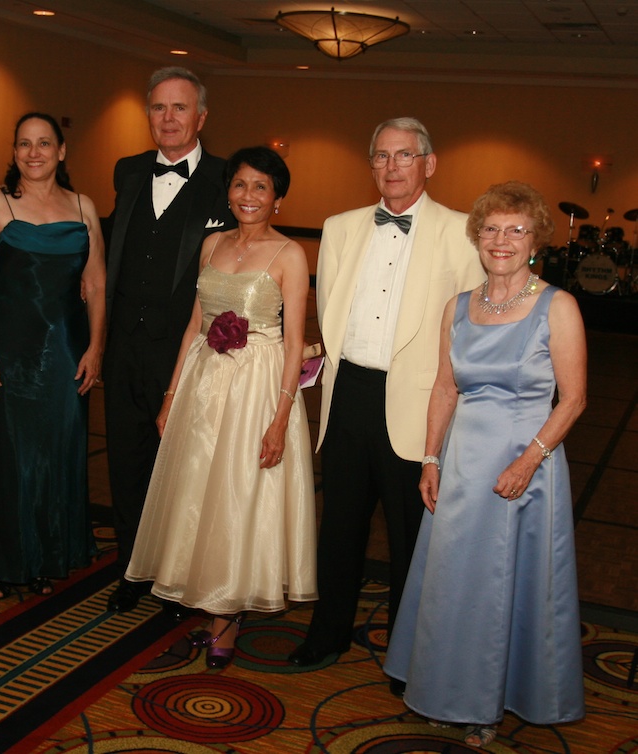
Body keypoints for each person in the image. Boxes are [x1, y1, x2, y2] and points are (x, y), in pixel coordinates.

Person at [383, 181, 587, 747]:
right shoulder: (460, 306)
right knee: (452, 582)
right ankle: (444, 688)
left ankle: (488, 705)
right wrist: (429, 457)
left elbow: (573, 399)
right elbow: (445, 389)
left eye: (516, 230)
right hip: (463, 461)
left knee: (503, 584)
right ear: (477, 237)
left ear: (536, 241)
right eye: (492, 229)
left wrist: (529, 461)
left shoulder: (558, 306)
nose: (502, 240)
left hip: (526, 463)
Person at [289, 118, 485, 680]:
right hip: (348, 392)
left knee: (411, 541)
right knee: (339, 528)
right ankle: (326, 635)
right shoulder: (341, 226)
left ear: (429, 163)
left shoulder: (461, 233)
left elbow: (470, 333)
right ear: (370, 164)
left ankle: (408, 657)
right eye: (381, 156)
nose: (392, 167)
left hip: (419, 405)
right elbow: (329, 310)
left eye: (404, 156)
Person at [125, 146, 317, 668]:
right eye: (240, 185)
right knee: (196, 493)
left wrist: (279, 419)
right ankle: (202, 592)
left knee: (237, 495)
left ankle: (226, 614)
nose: (248, 196)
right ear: (227, 192)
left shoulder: (291, 254)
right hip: (204, 382)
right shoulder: (211, 244)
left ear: (278, 198)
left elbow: (295, 341)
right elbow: (193, 326)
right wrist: (171, 396)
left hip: (258, 387)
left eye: (261, 187)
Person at [104, 67, 235, 615]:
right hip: (123, 348)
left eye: (180, 108)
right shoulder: (128, 171)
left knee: (183, 467)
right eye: (159, 108)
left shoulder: (230, 179)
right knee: (127, 461)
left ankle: (179, 576)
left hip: (190, 354)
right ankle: (132, 569)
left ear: (201, 116)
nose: (169, 118)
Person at [0, 113, 105, 599]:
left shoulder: (84, 207)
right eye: (24, 144)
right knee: (12, 457)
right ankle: (7, 560)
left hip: (66, 352)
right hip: (10, 352)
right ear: (15, 151)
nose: (34, 152)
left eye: (45, 143)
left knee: (57, 454)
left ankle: (47, 556)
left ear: (62, 151)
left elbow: (96, 283)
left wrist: (96, 347)